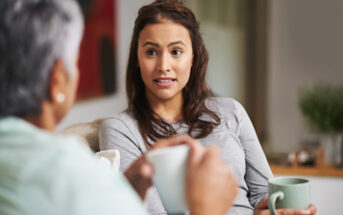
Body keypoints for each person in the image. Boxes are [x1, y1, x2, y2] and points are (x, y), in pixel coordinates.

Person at [0, 0, 238, 214]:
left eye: (176, 51)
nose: (164, 65)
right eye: (75, 61)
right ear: (58, 80)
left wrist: (126, 192)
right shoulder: (71, 173)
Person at [99, 1, 317, 215]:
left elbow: (264, 193)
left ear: (193, 57)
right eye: (151, 52)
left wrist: (280, 210)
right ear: (137, 58)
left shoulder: (231, 111)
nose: (163, 66)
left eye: (176, 52)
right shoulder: (121, 130)